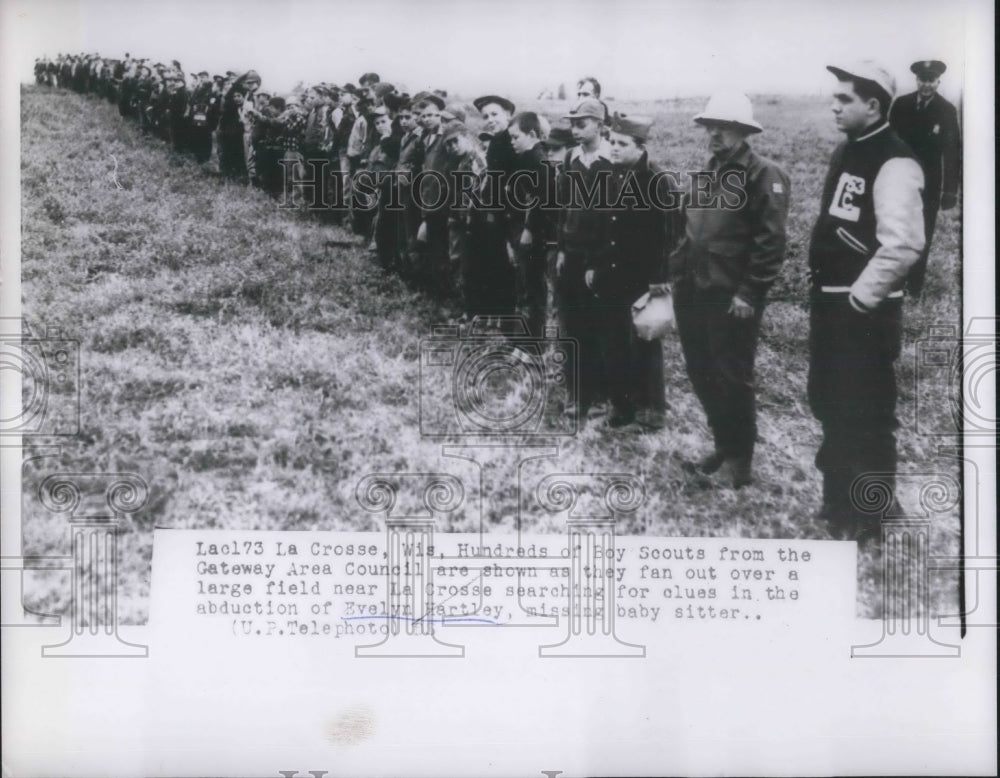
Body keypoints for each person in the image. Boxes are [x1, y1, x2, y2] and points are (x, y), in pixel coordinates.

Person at [808, 61, 925, 542]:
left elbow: (903, 244)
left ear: (874, 105)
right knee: (832, 403)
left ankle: (871, 517)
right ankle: (838, 501)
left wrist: (858, 301)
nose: (834, 106)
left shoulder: (894, 160)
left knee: (867, 411)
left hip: (863, 313)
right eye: (835, 97)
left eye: (845, 99)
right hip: (832, 305)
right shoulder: (848, 150)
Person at [668, 91, 790, 487]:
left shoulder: (762, 174)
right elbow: (691, 229)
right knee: (701, 370)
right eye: (711, 127)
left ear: (742, 131)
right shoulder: (708, 172)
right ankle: (723, 446)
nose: (715, 135)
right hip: (693, 287)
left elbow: (770, 243)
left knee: (731, 375)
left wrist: (750, 292)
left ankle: (739, 462)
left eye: (724, 128)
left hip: (729, 295)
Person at [590, 112, 677, 429]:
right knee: (613, 340)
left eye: (622, 143)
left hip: (642, 278)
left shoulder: (656, 180)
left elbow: (669, 233)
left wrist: (659, 278)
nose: (613, 148)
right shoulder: (612, 175)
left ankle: (650, 413)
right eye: (612, 141)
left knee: (643, 341)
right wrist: (595, 264)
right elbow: (604, 225)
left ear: (640, 146)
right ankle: (621, 407)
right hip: (612, 274)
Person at [554, 99, 614, 420]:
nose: (575, 130)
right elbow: (563, 207)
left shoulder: (611, 160)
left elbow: (611, 219)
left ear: (599, 124)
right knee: (571, 325)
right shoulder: (571, 159)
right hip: (572, 255)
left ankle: (602, 394)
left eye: (582, 124)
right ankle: (576, 392)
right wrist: (562, 248)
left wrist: (598, 261)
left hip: (600, 259)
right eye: (573, 124)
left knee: (598, 325)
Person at [888, 59, 961, 298]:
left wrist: (950, 191)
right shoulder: (901, 105)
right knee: (896, 228)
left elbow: (952, 152)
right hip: (900, 180)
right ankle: (893, 281)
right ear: (916, 80)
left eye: (931, 80)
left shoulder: (947, 110)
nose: (926, 85)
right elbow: (888, 142)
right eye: (922, 79)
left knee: (922, 233)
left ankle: (914, 287)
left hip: (929, 184)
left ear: (938, 81)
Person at [507, 111, 552, 336]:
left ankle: (535, 338)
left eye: (516, 137)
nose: (512, 142)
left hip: (533, 234)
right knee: (527, 283)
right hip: (525, 230)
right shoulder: (529, 158)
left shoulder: (537, 161)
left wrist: (530, 229)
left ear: (532, 134)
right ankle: (527, 334)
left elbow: (541, 199)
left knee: (533, 286)